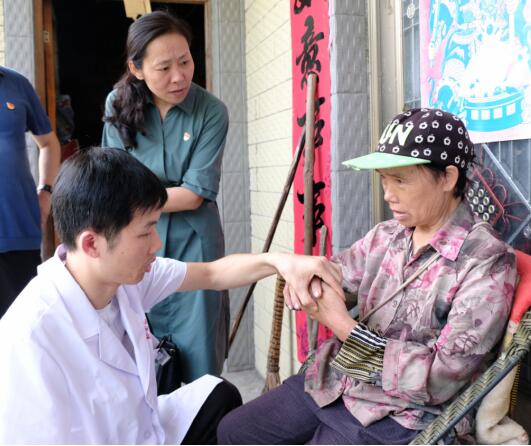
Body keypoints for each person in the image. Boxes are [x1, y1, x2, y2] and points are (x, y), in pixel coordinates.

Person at [0, 147, 343, 444]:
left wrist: (280, 262)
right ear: (92, 243)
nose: (157, 244)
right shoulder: (29, 337)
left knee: (218, 395)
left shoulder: (121, 275)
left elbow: (213, 274)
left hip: (143, 430)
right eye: (146, 232)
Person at [217, 108, 517, 444]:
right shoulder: (387, 236)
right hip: (333, 381)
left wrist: (342, 325)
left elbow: (440, 379)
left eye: (400, 180)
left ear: (447, 178)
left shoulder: (487, 260)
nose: (388, 194)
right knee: (234, 431)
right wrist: (306, 277)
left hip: (401, 414)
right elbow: (333, 275)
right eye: (384, 179)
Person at [101, 11, 230, 381]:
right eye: (164, 67)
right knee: (137, 347)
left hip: (195, 240)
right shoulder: (117, 104)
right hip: (136, 239)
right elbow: (112, 180)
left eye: (185, 61)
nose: (179, 76)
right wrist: (134, 200)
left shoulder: (211, 111)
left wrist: (135, 200)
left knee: (200, 350)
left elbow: (194, 195)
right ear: (137, 68)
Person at [0, 65, 61, 316]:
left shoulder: (17, 84)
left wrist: (46, 190)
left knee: (22, 325)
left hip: (18, 229)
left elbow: (48, 143)